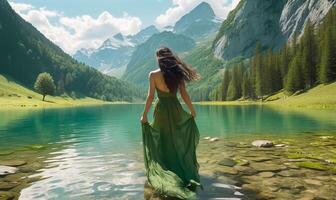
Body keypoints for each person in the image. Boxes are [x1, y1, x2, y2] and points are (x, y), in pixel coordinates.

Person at [140, 46, 202, 199]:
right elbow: (184, 94)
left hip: (161, 110)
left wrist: (144, 116)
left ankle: (166, 169)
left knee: (162, 139)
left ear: (159, 59)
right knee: (176, 138)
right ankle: (179, 169)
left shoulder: (153, 75)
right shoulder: (177, 74)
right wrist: (192, 110)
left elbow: (150, 97)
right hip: (175, 109)